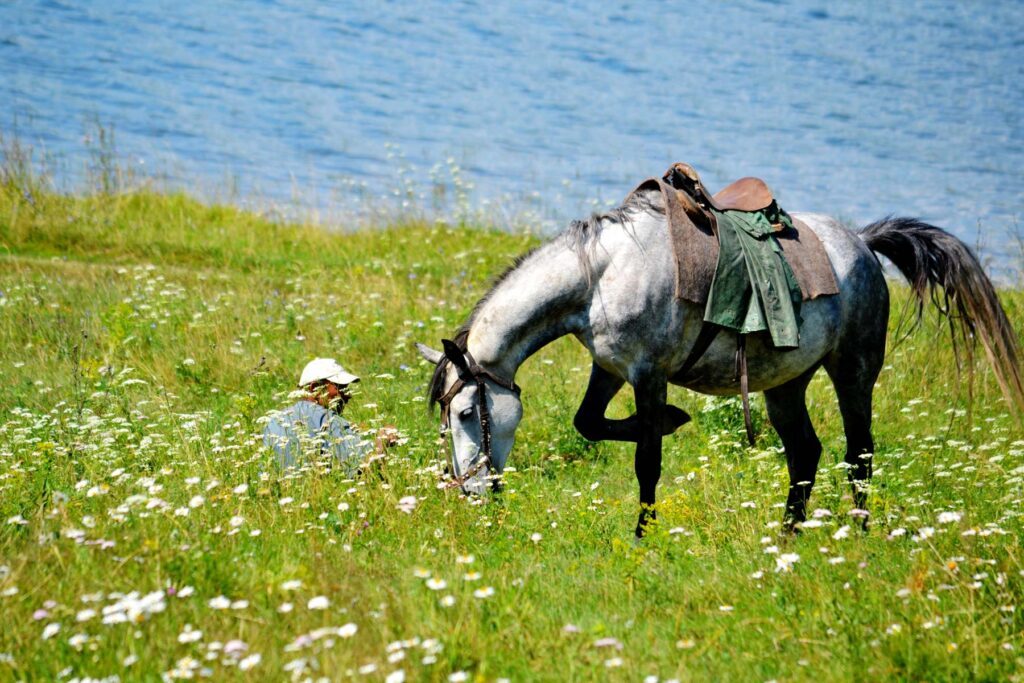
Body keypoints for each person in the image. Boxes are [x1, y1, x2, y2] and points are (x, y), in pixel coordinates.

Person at [262, 357, 396, 469]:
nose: (348, 396)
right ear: (315, 388)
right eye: (340, 387)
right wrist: (383, 438)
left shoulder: (274, 421)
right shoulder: (326, 419)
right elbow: (367, 464)